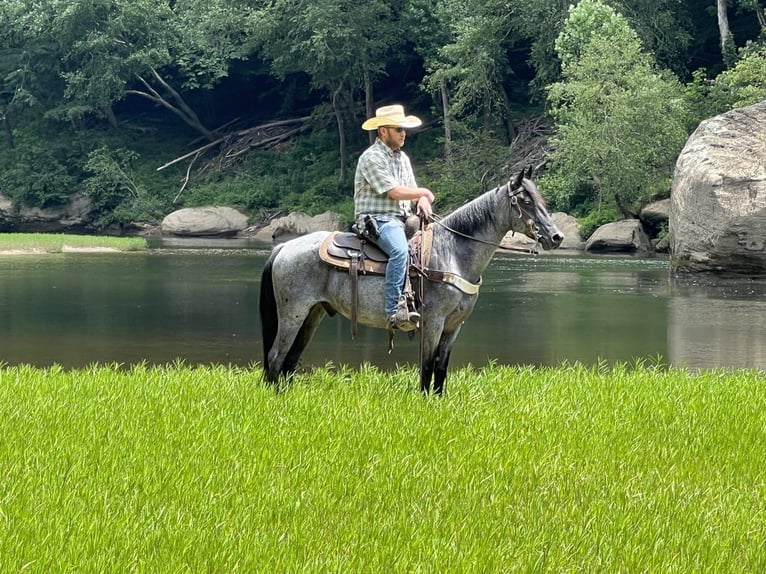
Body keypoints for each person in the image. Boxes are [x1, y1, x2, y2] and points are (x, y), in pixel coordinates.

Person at [354, 104, 435, 332]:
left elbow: (411, 189)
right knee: (400, 251)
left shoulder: (403, 158)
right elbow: (395, 192)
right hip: (377, 219)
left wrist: (421, 200)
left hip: (402, 218)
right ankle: (392, 311)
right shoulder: (371, 158)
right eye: (398, 129)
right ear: (383, 131)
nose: (403, 133)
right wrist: (423, 193)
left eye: (403, 129)